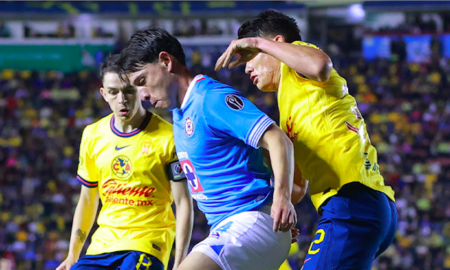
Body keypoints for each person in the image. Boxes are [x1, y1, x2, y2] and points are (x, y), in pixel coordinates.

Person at [215, 10, 398, 270]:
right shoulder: (291, 106)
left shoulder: (298, 64)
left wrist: (256, 42)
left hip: (350, 200)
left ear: (276, 44)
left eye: (250, 56)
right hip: (364, 204)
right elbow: (297, 189)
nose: (246, 67)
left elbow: (320, 65)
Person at [117, 27, 296, 270]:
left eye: (142, 81)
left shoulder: (209, 99)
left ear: (165, 61)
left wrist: (281, 197)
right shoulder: (179, 113)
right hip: (228, 226)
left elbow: (277, 139)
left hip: (251, 220)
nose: (142, 95)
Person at [56, 54, 193, 270]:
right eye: (113, 92)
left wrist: (180, 261)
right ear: (104, 94)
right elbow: (87, 200)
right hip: (100, 247)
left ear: (140, 88)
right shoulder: (92, 135)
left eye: (128, 90)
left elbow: (183, 202)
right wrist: (73, 255)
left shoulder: (169, 137)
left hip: (147, 246)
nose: (122, 100)